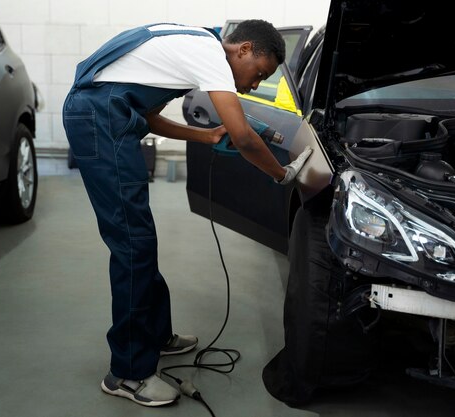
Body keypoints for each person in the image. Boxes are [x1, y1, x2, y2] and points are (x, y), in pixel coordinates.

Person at [62, 19, 313, 407]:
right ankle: (127, 374)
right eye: (259, 74)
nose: (253, 85)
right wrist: (284, 175)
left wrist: (205, 136)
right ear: (243, 49)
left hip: (108, 116)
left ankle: (156, 336)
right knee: (133, 244)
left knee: (141, 238)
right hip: (98, 122)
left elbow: (148, 117)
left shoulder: (194, 44)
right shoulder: (210, 54)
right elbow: (244, 136)